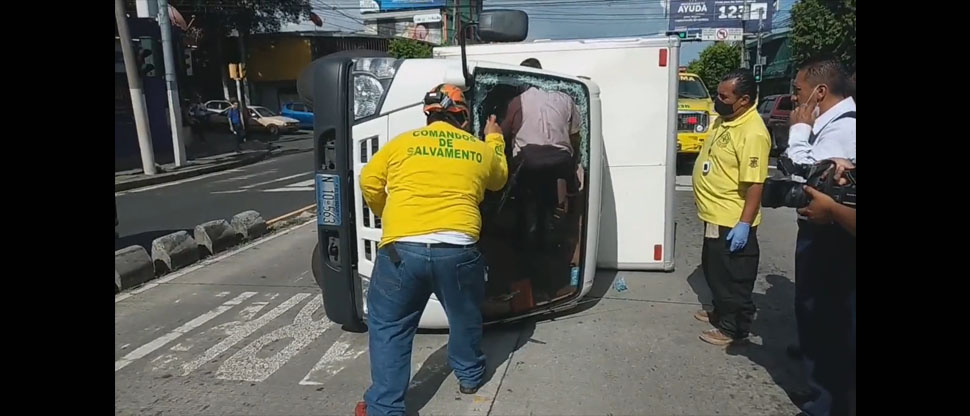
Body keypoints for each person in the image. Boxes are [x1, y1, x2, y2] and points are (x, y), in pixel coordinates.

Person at [355, 84, 508, 416]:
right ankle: (469, 376)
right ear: (463, 117)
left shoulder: (403, 144)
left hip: (402, 251)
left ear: (428, 115)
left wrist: (388, 214)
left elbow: (368, 180)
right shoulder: (478, 149)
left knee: (390, 327)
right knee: (465, 316)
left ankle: (384, 407)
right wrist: (494, 137)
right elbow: (498, 179)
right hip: (458, 251)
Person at [787, 58, 856, 416]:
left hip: (834, 235)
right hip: (824, 230)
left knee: (829, 319)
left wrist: (798, 132)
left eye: (797, 91)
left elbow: (809, 177)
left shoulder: (844, 128)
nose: (795, 99)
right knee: (814, 312)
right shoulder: (829, 124)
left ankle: (826, 404)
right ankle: (818, 389)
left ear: (820, 92)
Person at [691, 69, 771, 346]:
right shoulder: (726, 121)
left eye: (724, 96)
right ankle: (720, 311)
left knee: (735, 277)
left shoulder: (752, 132)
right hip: (714, 215)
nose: (717, 99)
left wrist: (744, 225)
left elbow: (755, 184)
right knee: (715, 270)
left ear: (744, 100)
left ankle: (734, 327)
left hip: (732, 219)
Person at [500, 58, 582, 249]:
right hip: (561, 161)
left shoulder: (518, 101)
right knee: (557, 191)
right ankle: (560, 224)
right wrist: (574, 162)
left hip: (529, 161)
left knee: (517, 190)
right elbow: (576, 134)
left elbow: (503, 132)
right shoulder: (565, 98)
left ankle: (520, 235)